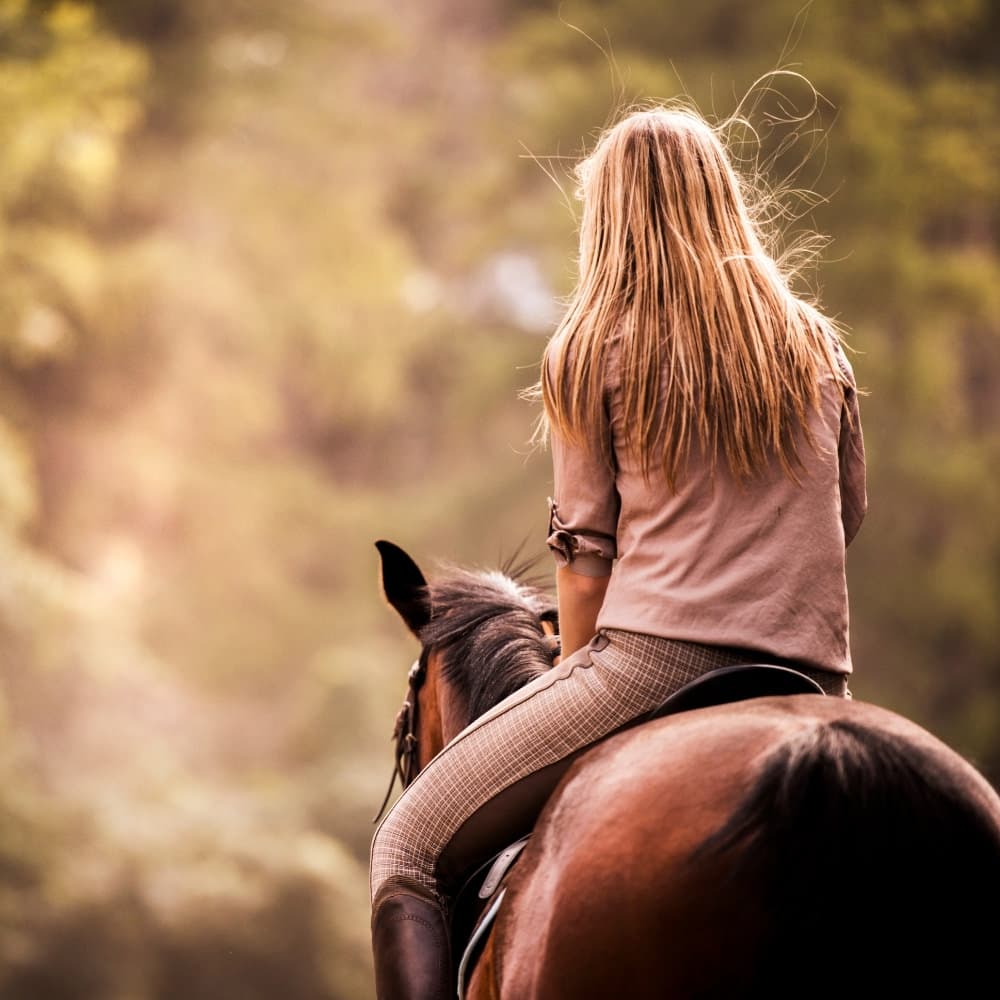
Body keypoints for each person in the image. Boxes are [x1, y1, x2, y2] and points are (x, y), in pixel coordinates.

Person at [369, 104, 866, 999]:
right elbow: (845, 516)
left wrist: (582, 659)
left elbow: (586, 569)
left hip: (651, 668)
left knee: (406, 847)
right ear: (725, 202)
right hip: (815, 678)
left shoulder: (593, 347)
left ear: (611, 216)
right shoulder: (817, 347)